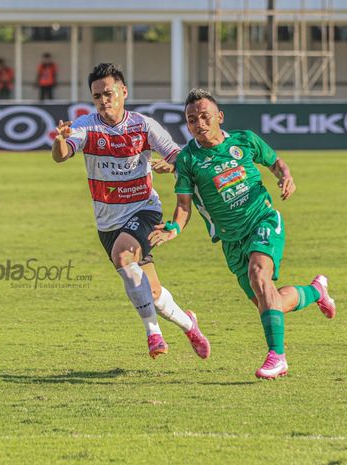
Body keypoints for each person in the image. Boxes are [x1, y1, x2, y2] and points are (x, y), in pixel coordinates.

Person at [149, 88, 336, 379]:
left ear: (219, 117)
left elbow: (275, 162)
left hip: (262, 219)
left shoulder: (244, 140)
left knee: (259, 275)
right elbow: (184, 205)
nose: (200, 124)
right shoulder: (187, 160)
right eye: (192, 119)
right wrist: (173, 228)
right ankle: (316, 291)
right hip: (230, 240)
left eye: (205, 116)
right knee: (269, 301)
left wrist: (285, 176)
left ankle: (278, 357)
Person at [52, 63, 210, 360]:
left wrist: (172, 164)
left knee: (124, 256)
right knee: (151, 292)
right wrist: (60, 140)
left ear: (123, 92)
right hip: (107, 222)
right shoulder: (86, 125)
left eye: (108, 93)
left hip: (144, 209)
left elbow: (178, 155)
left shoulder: (143, 125)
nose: (103, 100)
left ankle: (154, 335)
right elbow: (62, 156)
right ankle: (190, 325)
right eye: (97, 96)